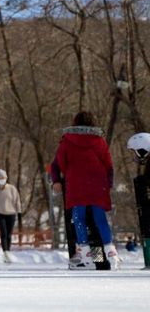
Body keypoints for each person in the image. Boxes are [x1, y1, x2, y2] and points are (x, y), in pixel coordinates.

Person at [51, 111, 118, 270]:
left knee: (79, 222)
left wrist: (57, 181)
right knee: (96, 224)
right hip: (97, 186)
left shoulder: (67, 140)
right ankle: (103, 258)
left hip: (75, 187)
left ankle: (87, 258)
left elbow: (57, 164)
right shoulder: (99, 140)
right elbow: (109, 165)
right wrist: (108, 184)